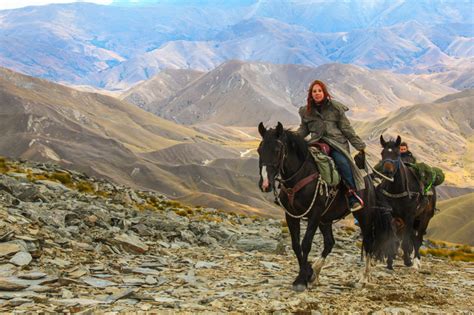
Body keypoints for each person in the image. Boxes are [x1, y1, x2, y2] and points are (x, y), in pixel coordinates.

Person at [296, 80, 366, 212]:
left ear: (324, 92)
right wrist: (291, 138)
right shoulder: (306, 111)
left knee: (341, 162)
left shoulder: (335, 108)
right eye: (314, 91)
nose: (317, 93)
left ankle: (352, 194)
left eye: (319, 91)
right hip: (317, 143)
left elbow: (347, 129)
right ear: (311, 94)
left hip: (336, 144)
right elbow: (303, 131)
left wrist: (359, 145)